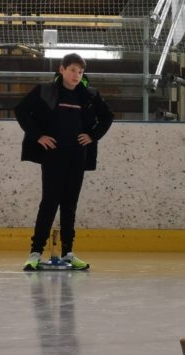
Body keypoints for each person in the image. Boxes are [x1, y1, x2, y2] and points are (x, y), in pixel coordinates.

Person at [16, 52, 114, 271]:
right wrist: (38, 135)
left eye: (80, 72)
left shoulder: (89, 95)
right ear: (62, 69)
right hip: (53, 156)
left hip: (78, 156)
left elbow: (107, 117)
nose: (76, 75)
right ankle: (35, 253)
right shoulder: (45, 91)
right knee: (49, 203)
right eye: (72, 70)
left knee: (70, 205)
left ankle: (69, 253)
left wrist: (93, 135)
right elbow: (21, 111)